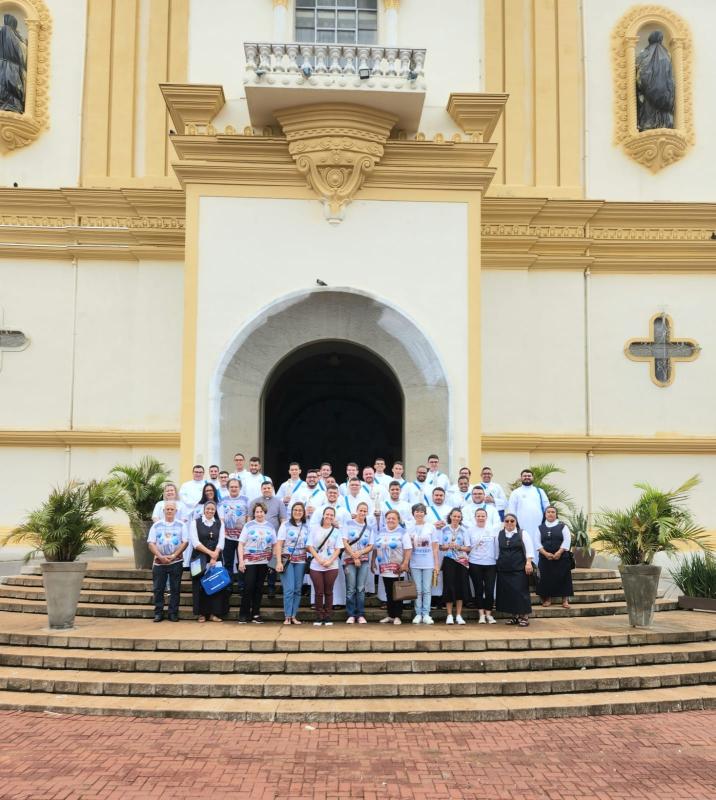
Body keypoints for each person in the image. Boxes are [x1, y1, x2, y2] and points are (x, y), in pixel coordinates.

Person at [146, 501, 188, 622]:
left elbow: (185, 542)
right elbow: (151, 543)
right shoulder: (156, 525)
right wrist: (160, 556)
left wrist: (174, 555)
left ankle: (173, 613)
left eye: (172, 509)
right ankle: (158, 613)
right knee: (158, 589)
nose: (169, 511)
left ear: (176, 511)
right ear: (163, 511)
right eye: (167, 509)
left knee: (175, 588)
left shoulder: (181, 525)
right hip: (159, 562)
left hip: (176, 562)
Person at [189, 500, 229, 623]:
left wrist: (214, 555)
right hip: (199, 558)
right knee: (199, 586)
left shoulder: (219, 523)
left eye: (212, 509)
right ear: (204, 510)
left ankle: (213, 613)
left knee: (215, 585)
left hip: (215, 558)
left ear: (215, 511)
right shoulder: (195, 523)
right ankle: (201, 613)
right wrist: (210, 553)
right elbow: (195, 543)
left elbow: (221, 541)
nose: (210, 511)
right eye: (208, 509)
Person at [237, 502, 276, 624]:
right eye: (257, 512)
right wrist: (241, 561)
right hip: (249, 562)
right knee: (248, 587)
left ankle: (255, 614)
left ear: (265, 513)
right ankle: (244, 614)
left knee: (259, 588)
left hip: (264, 562)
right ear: (254, 513)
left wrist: (273, 562)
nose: (259, 514)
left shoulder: (270, 526)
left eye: (261, 512)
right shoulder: (248, 525)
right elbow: (240, 544)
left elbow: (275, 545)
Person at [372, 510, 412, 625]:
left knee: (398, 592)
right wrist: (373, 562)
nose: (390, 520)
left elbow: (408, 548)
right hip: (384, 568)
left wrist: (405, 563)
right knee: (388, 592)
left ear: (398, 520)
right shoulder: (381, 531)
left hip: (397, 568)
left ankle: (398, 616)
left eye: (393, 518)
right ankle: (390, 615)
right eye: (388, 518)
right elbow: (376, 547)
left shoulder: (403, 532)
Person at [495, 513, 535, 627]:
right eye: (507, 521)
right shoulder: (500, 534)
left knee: (521, 593)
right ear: (504, 523)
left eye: (512, 521)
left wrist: (528, 562)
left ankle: (525, 617)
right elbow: (497, 552)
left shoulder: (522, 533)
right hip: (504, 569)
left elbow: (529, 549)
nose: (509, 523)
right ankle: (515, 616)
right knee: (509, 594)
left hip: (519, 569)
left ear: (516, 522)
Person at [249, 480, 287, 598]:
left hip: (273, 540)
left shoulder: (279, 502)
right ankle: (255, 587)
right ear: (261, 489)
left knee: (272, 564)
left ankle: (271, 587)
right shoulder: (254, 502)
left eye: (268, 488)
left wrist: (281, 538)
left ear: (272, 489)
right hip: (256, 540)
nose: (266, 490)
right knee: (257, 563)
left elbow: (283, 520)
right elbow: (249, 519)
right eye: (264, 488)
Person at [275, 501, 310, 625]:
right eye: (295, 510)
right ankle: (287, 616)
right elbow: (279, 544)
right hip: (287, 561)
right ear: (291, 511)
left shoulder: (306, 526)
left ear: (303, 512)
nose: (298, 512)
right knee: (289, 589)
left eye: (300, 510)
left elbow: (309, 545)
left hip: (301, 561)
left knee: (297, 589)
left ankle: (294, 615)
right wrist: (278, 562)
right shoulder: (285, 525)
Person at [307, 507, 343, 626]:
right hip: (316, 565)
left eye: (331, 515)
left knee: (329, 591)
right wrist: (319, 559)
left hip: (332, 566)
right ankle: (319, 616)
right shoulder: (315, 529)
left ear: (334, 517)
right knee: (318, 592)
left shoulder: (336, 532)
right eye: (327, 514)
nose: (329, 516)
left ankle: (327, 616)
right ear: (323, 515)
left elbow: (338, 549)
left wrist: (330, 561)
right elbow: (310, 546)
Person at [342, 501, 375, 624]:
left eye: (365, 511)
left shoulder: (369, 528)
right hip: (348, 559)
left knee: (360, 588)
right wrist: (354, 555)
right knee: (351, 588)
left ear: (367, 513)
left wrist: (359, 554)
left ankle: (360, 614)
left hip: (364, 561)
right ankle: (351, 614)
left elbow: (371, 546)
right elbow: (344, 542)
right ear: (356, 511)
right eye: (360, 510)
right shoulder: (348, 523)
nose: (362, 512)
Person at [536, 505, 573, 609]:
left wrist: (559, 552)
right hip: (545, 558)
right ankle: (548, 599)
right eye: (548, 512)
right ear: (545, 514)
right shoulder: (540, 528)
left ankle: (565, 600)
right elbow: (537, 543)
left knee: (564, 578)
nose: (550, 514)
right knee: (546, 578)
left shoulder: (563, 526)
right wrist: (545, 553)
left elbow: (567, 540)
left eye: (553, 512)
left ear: (556, 514)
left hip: (561, 557)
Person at [439, 508, 471, 625]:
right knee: (449, 586)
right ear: (450, 516)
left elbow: (468, 548)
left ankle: (458, 615)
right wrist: (448, 546)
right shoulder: (444, 529)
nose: (456, 518)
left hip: (461, 561)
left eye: (458, 517)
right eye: (454, 516)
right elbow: (440, 546)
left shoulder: (464, 530)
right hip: (449, 560)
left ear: (461, 518)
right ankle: (449, 615)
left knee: (460, 587)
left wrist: (459, 547)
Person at [407, 503, 438, 624]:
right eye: (417, 511)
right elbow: (407, 547)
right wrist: (407, 562)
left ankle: (426, 614)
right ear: (413, 513)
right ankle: (418, 614)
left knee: (427, 590)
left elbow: (435, 547)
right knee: (418, 590)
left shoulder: (431, 527)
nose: (419, 514)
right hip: (415, 563)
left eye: (421, 511)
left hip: (428, 563)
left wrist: (436, 564)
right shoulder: (409, 528)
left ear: (425, 513)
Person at [467, 508, 499, 624]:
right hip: (475, 563)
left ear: (486, 517)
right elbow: (468, 547)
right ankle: (481, 614)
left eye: (483, 516)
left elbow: (497, 546)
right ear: (475, 517)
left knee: (490, 590)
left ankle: (489, 614)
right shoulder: (470, 530)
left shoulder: (493, 530)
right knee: (478, 589)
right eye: (478, 516)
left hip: (491, 564)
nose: (480, 518)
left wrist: (497, 559)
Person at [507, 469, 548, 554]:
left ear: (532, 477)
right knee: (524, 544)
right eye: (525, 476)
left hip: (538, 524)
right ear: (521, 478)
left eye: (529, 476)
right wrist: (514, 524)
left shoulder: (540, 491)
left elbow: (547, 507)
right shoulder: (516, 492)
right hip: (522, 525)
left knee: (537, 543)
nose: (527, 477)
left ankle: (537, 562)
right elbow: (511, 510)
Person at [219, 478, 249, 593]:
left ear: (240, 488)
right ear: (228, 488)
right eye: (231, 487)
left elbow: (248, 517)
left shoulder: (246, 500)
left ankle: (242, 585)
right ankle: (228, 585)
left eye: (236, 486)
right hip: (227, 537)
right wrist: (223, 532)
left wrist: (246, 532)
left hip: (242, 538)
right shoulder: (223, 500)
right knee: (228, 562)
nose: (234, 488)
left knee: (242, 561)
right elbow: (221, 518)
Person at [0, 13, 26, 113]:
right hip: (13, 68)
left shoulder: (5, 31)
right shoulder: (17, 37)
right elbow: (21, 53)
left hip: (6, 67)